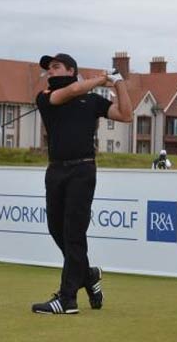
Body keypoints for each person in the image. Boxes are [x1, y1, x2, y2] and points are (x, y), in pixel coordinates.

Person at [32, 53, 133, 314]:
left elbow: (126, 114)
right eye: (48, 69)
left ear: (71, 69)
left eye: (55, 67)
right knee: (56, 229)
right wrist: (102, 78)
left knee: (74, 233)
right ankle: (88, 275)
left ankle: (67, 299)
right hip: (56, 171)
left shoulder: (91, 100)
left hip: (83, 170)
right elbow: (73, 89)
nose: (50, 72)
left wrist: (119, 82)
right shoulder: (45, 97)